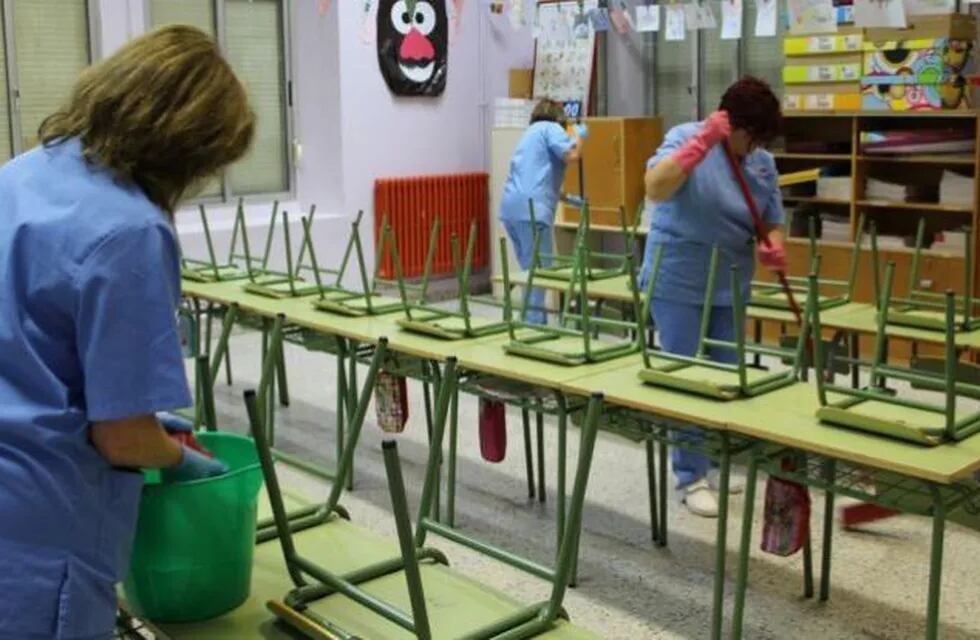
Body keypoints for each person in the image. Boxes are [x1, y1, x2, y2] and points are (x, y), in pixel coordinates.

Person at [0, 26, 254, 639]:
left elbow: (35, 344)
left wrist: (141, 416)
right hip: (39, 522)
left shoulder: (22, 174)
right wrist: (173, 455)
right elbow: (120, 438)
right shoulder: (129, 231)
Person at [640, 76, 786, 517]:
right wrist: (702, 144)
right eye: (751, 136)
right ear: (730, 123)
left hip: (731, 281)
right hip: (680, 279)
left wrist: (775, 243)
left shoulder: (762, 163)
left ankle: (716, 463)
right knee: (686, 378)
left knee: (725, 376)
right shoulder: (686, 139)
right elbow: (655, 187)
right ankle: (690, 476)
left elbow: (772, 218)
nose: (756, 146)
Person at [499, 99, 587, 324]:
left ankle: (531, 321)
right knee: (540, 273)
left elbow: (535, 179)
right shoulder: (551, 129)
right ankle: (533, 327)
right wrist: (579, 135)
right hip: (532, 213)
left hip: (511, 211)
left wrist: (568, 198)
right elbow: (572, 155)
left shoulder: (529, 134)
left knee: (531, 270)